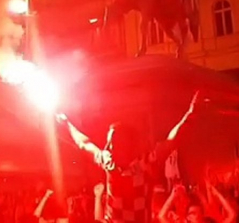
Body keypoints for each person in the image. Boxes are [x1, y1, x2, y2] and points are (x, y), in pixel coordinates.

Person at [55, 92, 202, 223]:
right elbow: (84, 143)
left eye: (112, 143)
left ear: (126, 146)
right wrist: (67, 123)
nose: (107, 147)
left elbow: (171, 141)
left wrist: (191, 113)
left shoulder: (145, 164)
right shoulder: (108, 161)